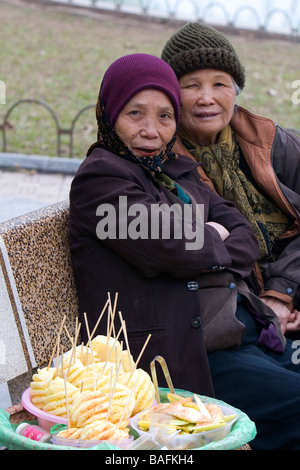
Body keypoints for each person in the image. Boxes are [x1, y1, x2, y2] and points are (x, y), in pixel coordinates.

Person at [69, 53, 300, 450]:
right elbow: (174, 249)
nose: (150, 130)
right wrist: (210, 233)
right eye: (134, 114)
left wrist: (205, 236)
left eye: (164, 116)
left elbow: (241, 233)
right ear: (109, 115)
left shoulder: (175, 171)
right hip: (179, 359)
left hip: (239, 334)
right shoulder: (99, 182)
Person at [161, 22, 300, 338]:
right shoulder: (164, 169)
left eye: (220, 84)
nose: (206, 98)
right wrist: (270, 306)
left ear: (235, 90)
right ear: (171, 95)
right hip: (236, 315)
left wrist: (284, 294)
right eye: (192, 85)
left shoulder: (274, 143)